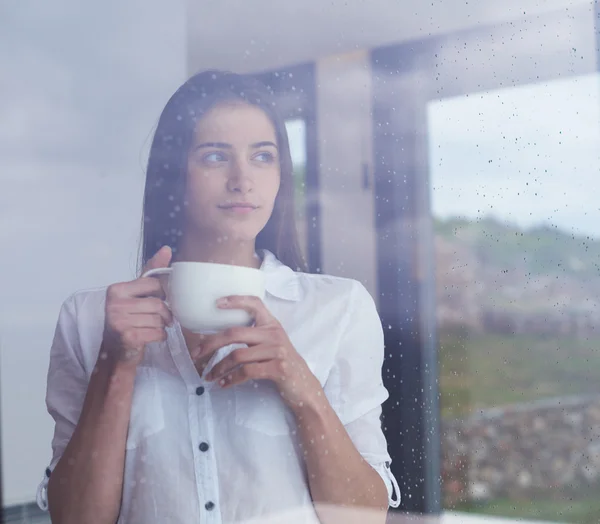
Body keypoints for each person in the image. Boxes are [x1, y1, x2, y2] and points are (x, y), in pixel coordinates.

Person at [36, 70, 400, 523]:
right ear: (173, 177)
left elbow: (363, 519)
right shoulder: (90, 319)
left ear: (280, 177)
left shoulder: (338, 308)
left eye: (262, 157)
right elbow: (74, 520)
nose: (242, 179)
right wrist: (116, 363)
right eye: (214, 156)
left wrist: (301, 386)